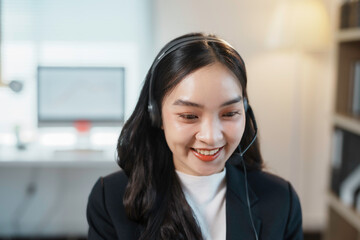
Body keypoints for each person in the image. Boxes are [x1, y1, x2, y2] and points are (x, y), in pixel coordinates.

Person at [86, 33, 303, 240]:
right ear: (156, 115)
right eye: (189, 116)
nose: (211, 137)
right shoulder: (111, 198)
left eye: (229, 114)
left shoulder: (281, 200)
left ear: (245, 112)